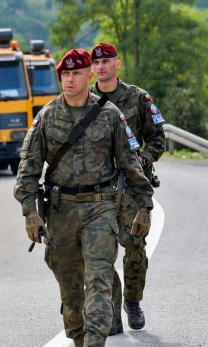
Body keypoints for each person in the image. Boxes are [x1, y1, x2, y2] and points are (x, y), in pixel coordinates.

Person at [14, 49, 153, 347]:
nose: (70, 79)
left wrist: (145, 204)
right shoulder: (47, 117)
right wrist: (30, 212)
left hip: (100, 208)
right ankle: (80, 339)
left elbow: (130, 163)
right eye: (65, 74)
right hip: (60, 212)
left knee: (100, 281)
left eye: (76, 73)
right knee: (72, 291)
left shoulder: (110, 115)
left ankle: (95, 343)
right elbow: (27, 171)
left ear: (89, 74)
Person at [89, 42, 165, 335]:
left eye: (107, 61)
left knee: (134, 250)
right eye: (96, 63)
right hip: (97, 190)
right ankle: (112, 313)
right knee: (101, 254)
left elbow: (158, 138)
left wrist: (143, 160)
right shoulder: (85, 100)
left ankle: (132, 301)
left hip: (131, 189)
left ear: (117, 64)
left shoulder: (137, 98)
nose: (101, 67)